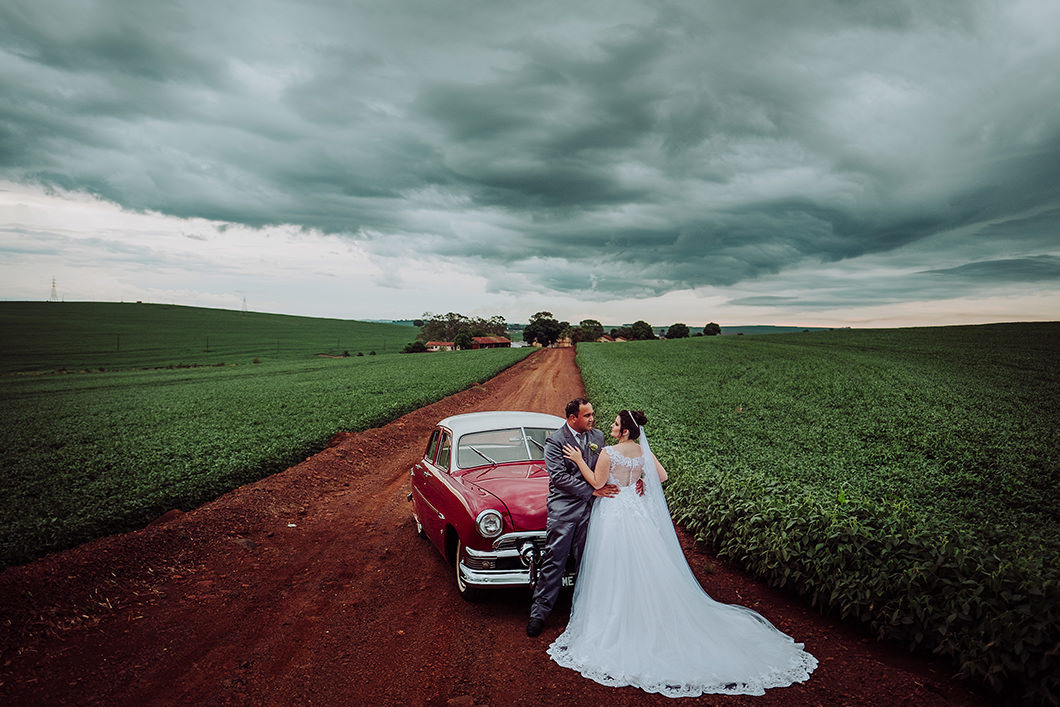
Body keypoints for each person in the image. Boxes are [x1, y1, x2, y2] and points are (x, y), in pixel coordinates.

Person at [547, 409, 818, 697]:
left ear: (624, 430)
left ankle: (618, 621)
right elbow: (661, 477)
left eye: (615, 423)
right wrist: (640, 481)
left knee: (613, 566)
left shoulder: (609, 452)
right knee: (646, 566)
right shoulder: (641, 451)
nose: (611, 426)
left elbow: (598, 484)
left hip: (613, 513)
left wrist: (578, 460)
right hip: (636, 513)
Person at [527, 398, 619, 637]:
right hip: (564, 509)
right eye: (587, 415)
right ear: (572, 418)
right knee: (554, 561)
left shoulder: (597, 437)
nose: (592, 419)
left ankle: (584, 614)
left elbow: (607, 467)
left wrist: (634, 480)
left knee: (587, 562)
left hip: (593, 510)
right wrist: (592, 490)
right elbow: (559, 478)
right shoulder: (555, 441)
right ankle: (539, 613)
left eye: (592, 414)